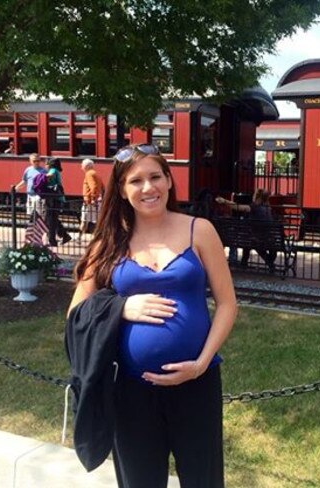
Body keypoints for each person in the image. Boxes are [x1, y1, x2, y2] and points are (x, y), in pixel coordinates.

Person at [68, 143, 236, 487]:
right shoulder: (109, 243)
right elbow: (76, 314)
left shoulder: (199, 230)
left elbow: (228, 303)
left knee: (204, 480)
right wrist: (120, 307)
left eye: (156, 177)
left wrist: (202, 362)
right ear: (121, 189)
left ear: (170, 181)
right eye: (136, 181)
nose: (148, 188)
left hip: (197, 384)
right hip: (131, 390)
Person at [215, 188, 277, 271]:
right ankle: (246, 262)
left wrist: (224, 201)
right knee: (250, 241)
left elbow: (237, 207)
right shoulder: (268, 209)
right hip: (267, 238)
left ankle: (250, 263)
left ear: (257, 197)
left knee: (250, 241)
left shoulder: (254, 207)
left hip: (256, 239)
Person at [44, 157, 72, 246]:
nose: (45, 166)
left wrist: (38, 178)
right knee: (52, 218)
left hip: (53, 199)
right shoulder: (56, 170)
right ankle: (64, 235)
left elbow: (49, 176)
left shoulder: (52, 170)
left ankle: (52, 240)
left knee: (50, 219)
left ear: (50, 164)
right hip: (56, 198)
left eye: (46, 164)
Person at [13, 153, 46, 220]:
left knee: (38, 215)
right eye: (34, 161)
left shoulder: (43, 171)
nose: (36, 162)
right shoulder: (28, 170)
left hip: (38, 195)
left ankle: (38, 229)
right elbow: (25, 181)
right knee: (30, 214)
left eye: (38, 161)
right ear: (30, 161)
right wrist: (17, 187)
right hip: (30, 195)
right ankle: (32, 227)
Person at [79, 158, 105, 241]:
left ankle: (80, 238)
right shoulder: (96, 174)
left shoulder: (89, 174)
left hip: (89, 201)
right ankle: (97, 238)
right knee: (95, 220)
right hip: (97, 201)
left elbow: (93, 187)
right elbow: (102, 187)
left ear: (86, 166)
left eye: (82, 165)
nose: (81, 167)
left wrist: (93, 198)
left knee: (84, 219)